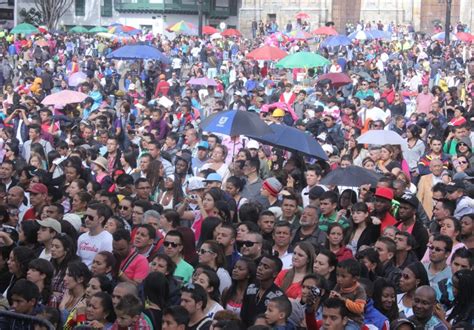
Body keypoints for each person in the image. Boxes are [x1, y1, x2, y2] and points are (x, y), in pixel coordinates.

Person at [240, 255, 285, 326]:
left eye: (266, 267)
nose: (260, 268)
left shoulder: (278, 296)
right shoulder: (250, 288)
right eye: (260, 265)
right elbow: (242, 315)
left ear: (275, 274)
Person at [78, 203, 113, 268]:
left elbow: (105, 264)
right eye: (86, 216)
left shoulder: (107, 239)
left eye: (91, 217)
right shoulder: (82, 237)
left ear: (101, 219)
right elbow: (78, 259)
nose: (86, 219)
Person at [395, 193, 429, 259]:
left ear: (414, 211)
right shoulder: (395, 226)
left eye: (406, 208)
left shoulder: (420, 231)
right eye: (400, 207)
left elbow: (422, 254)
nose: (401, 211)